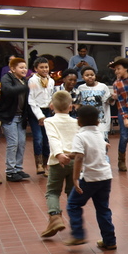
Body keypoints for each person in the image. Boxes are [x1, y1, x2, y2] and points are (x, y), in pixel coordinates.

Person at [64, 105, 116, 249]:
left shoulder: (80, 136)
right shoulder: (98, 133)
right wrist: (71, 155)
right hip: (105, 176)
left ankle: (78, 235)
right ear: (98, 122)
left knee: (73, 205)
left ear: (78, 121)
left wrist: (75, 179)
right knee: (103, 209)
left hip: (89, 178)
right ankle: (109, 241)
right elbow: (90, 150)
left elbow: (80, 157)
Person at [40, 91, 79, 238]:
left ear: (51, 106)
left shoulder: (49, 121)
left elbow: (53, 138)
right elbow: (86, 135)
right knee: (71, 191)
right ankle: (76, 223)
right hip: (75, 160)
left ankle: (55, 217)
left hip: (58, 161)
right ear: (71, 107)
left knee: (53, 192)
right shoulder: (76, 122)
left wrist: (59, 154)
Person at [0, 57, 31, 182]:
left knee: (21, 143)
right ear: (13, 69)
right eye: (21, 67)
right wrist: (27, 87)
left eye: (25, 67)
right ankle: (10, 172)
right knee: (13, 143)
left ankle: (18, 169)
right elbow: (8, 91)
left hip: (21, 118)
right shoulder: (6, 78)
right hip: (10, 117)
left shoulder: (23, 81)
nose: (24, 70)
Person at [27, 57, 55, 176]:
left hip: (48, 111)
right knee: (38, 138)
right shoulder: (32, 81)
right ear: (35, 69)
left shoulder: (51, 80)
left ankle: (46, 165)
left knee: (47, 139)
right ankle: (38, 164)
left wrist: (52, 103)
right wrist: (40, 116)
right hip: (36, 113)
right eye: (41, 67)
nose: (44, 69)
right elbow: (31, 100)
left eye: (46, 67)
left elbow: (51, 95)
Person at [75, 66, 111, 142]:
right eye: (87, 75)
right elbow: (78, 104)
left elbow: (109, 101)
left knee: (102, 143)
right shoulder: (81, 88)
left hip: (101, 121)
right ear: (82, 77)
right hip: (86, 122)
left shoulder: (103, 87)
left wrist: (113, 97)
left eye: (92, 75)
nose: (90, 77)